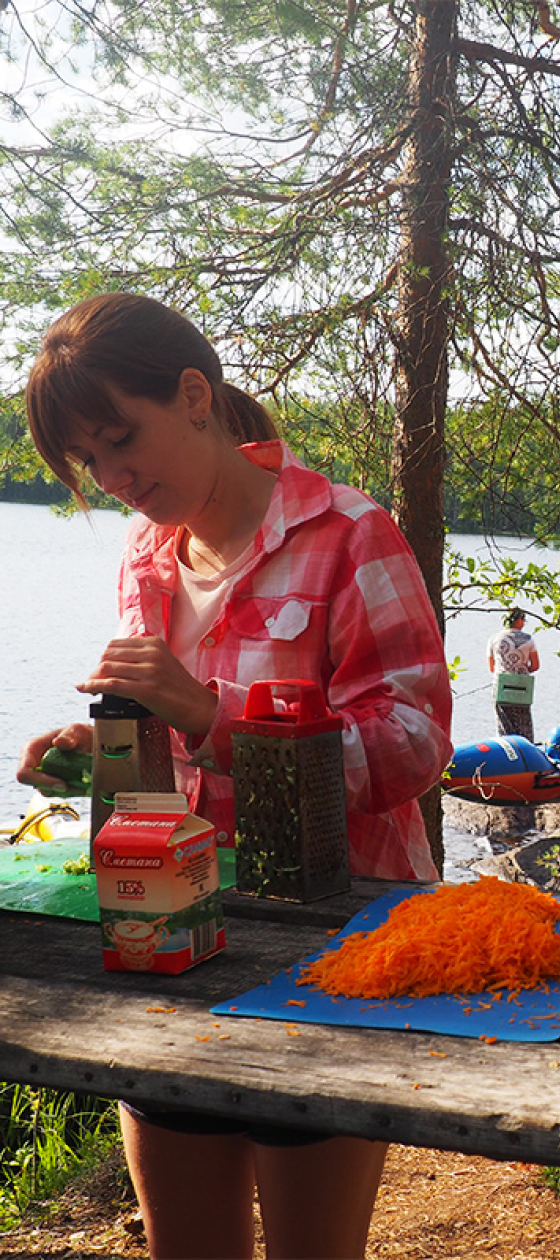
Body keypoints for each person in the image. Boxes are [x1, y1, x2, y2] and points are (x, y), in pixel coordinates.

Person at [16, 291, 453, 1260]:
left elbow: (417, 747)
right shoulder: (146, 557)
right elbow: (164, 746)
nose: (115, 475)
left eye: (123, 438)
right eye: (91, 460)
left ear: (194, 394)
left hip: (333, 955)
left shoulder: (350, 535)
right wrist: (104, 744)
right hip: (174, 938)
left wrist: (214, 722)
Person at [486, 606, 540, 739]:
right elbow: (535, 665)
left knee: (504, 726)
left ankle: (508, 753)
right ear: (519, 620)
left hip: (501, 687)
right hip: (522, 687)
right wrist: (521, 669)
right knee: (524, 726)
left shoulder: (494, 639)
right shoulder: (529, 639)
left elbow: (492, 668)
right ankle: (527, 752)